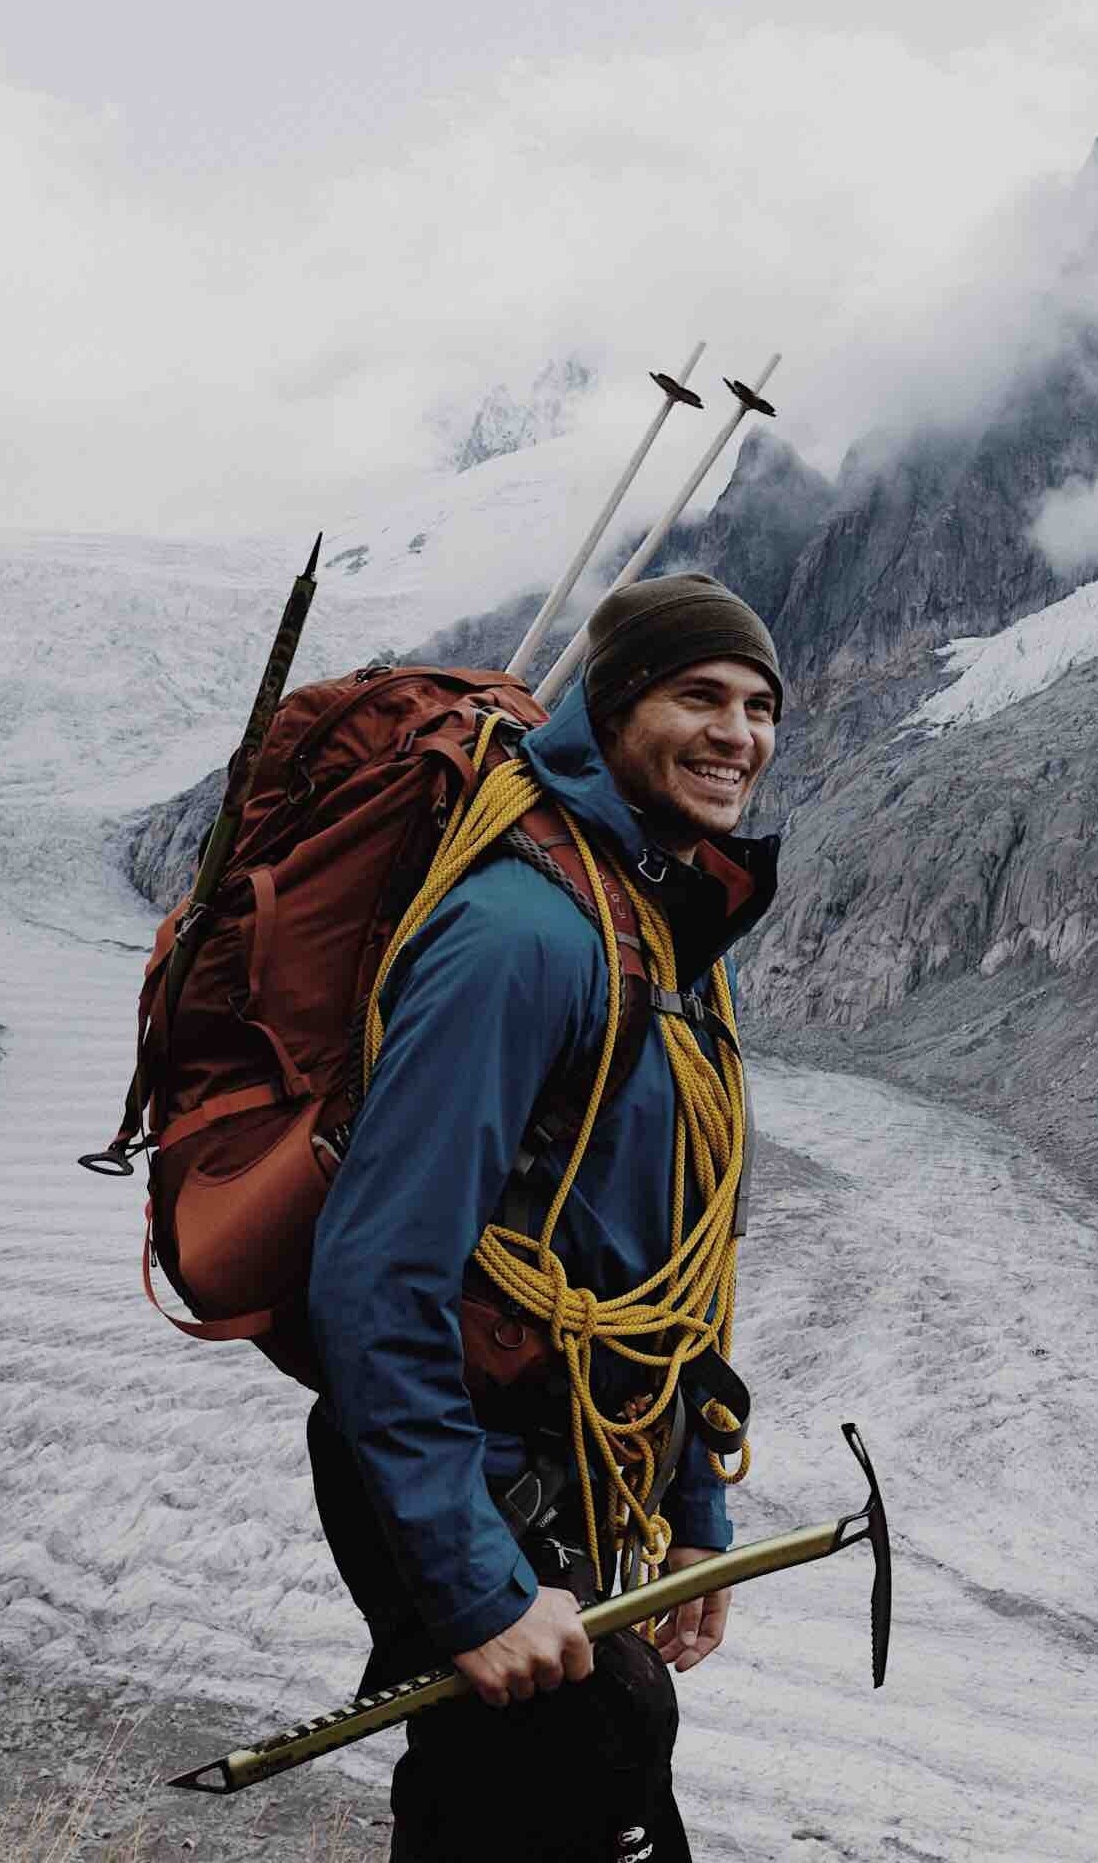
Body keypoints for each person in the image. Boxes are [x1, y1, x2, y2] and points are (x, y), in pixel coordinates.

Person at [306, 572, 782, 1863]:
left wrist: (694, 1502)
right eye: (699, 695)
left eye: (757, 704)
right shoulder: (522, 933)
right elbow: (374, 1269)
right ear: (616, 704)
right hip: (468, 1460)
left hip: (564, 1463)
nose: (737, 733)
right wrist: (469, 1587)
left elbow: (652, 1262)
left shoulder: (663, 927)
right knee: (578, 1780)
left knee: (568, 1790)